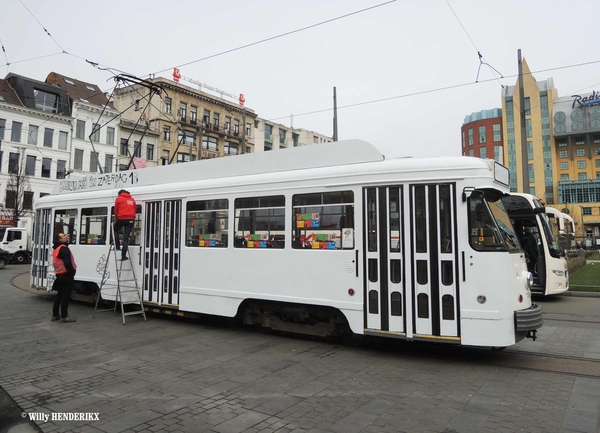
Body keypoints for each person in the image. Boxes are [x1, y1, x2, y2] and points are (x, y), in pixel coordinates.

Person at [51, 232, 77, 323]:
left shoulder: (56, 249)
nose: (66, 236)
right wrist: (72, 272)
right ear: (60, 239)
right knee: (66, 296)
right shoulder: (64, 249)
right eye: (63, 236)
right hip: (66, 275)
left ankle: (55, 314)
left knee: (59, 295)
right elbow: (67, 263)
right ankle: (64, 316)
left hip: (59, 274)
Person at [114, 189, 136, 260]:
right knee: (126, 237)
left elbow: (116, 210)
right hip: (131, 219)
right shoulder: (132, 200)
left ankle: (117, 245)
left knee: (115, 229)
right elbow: (135, 209)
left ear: (119, 193)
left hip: (121, 218)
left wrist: (116, 218)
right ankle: (123, 255)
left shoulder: (118, 199)